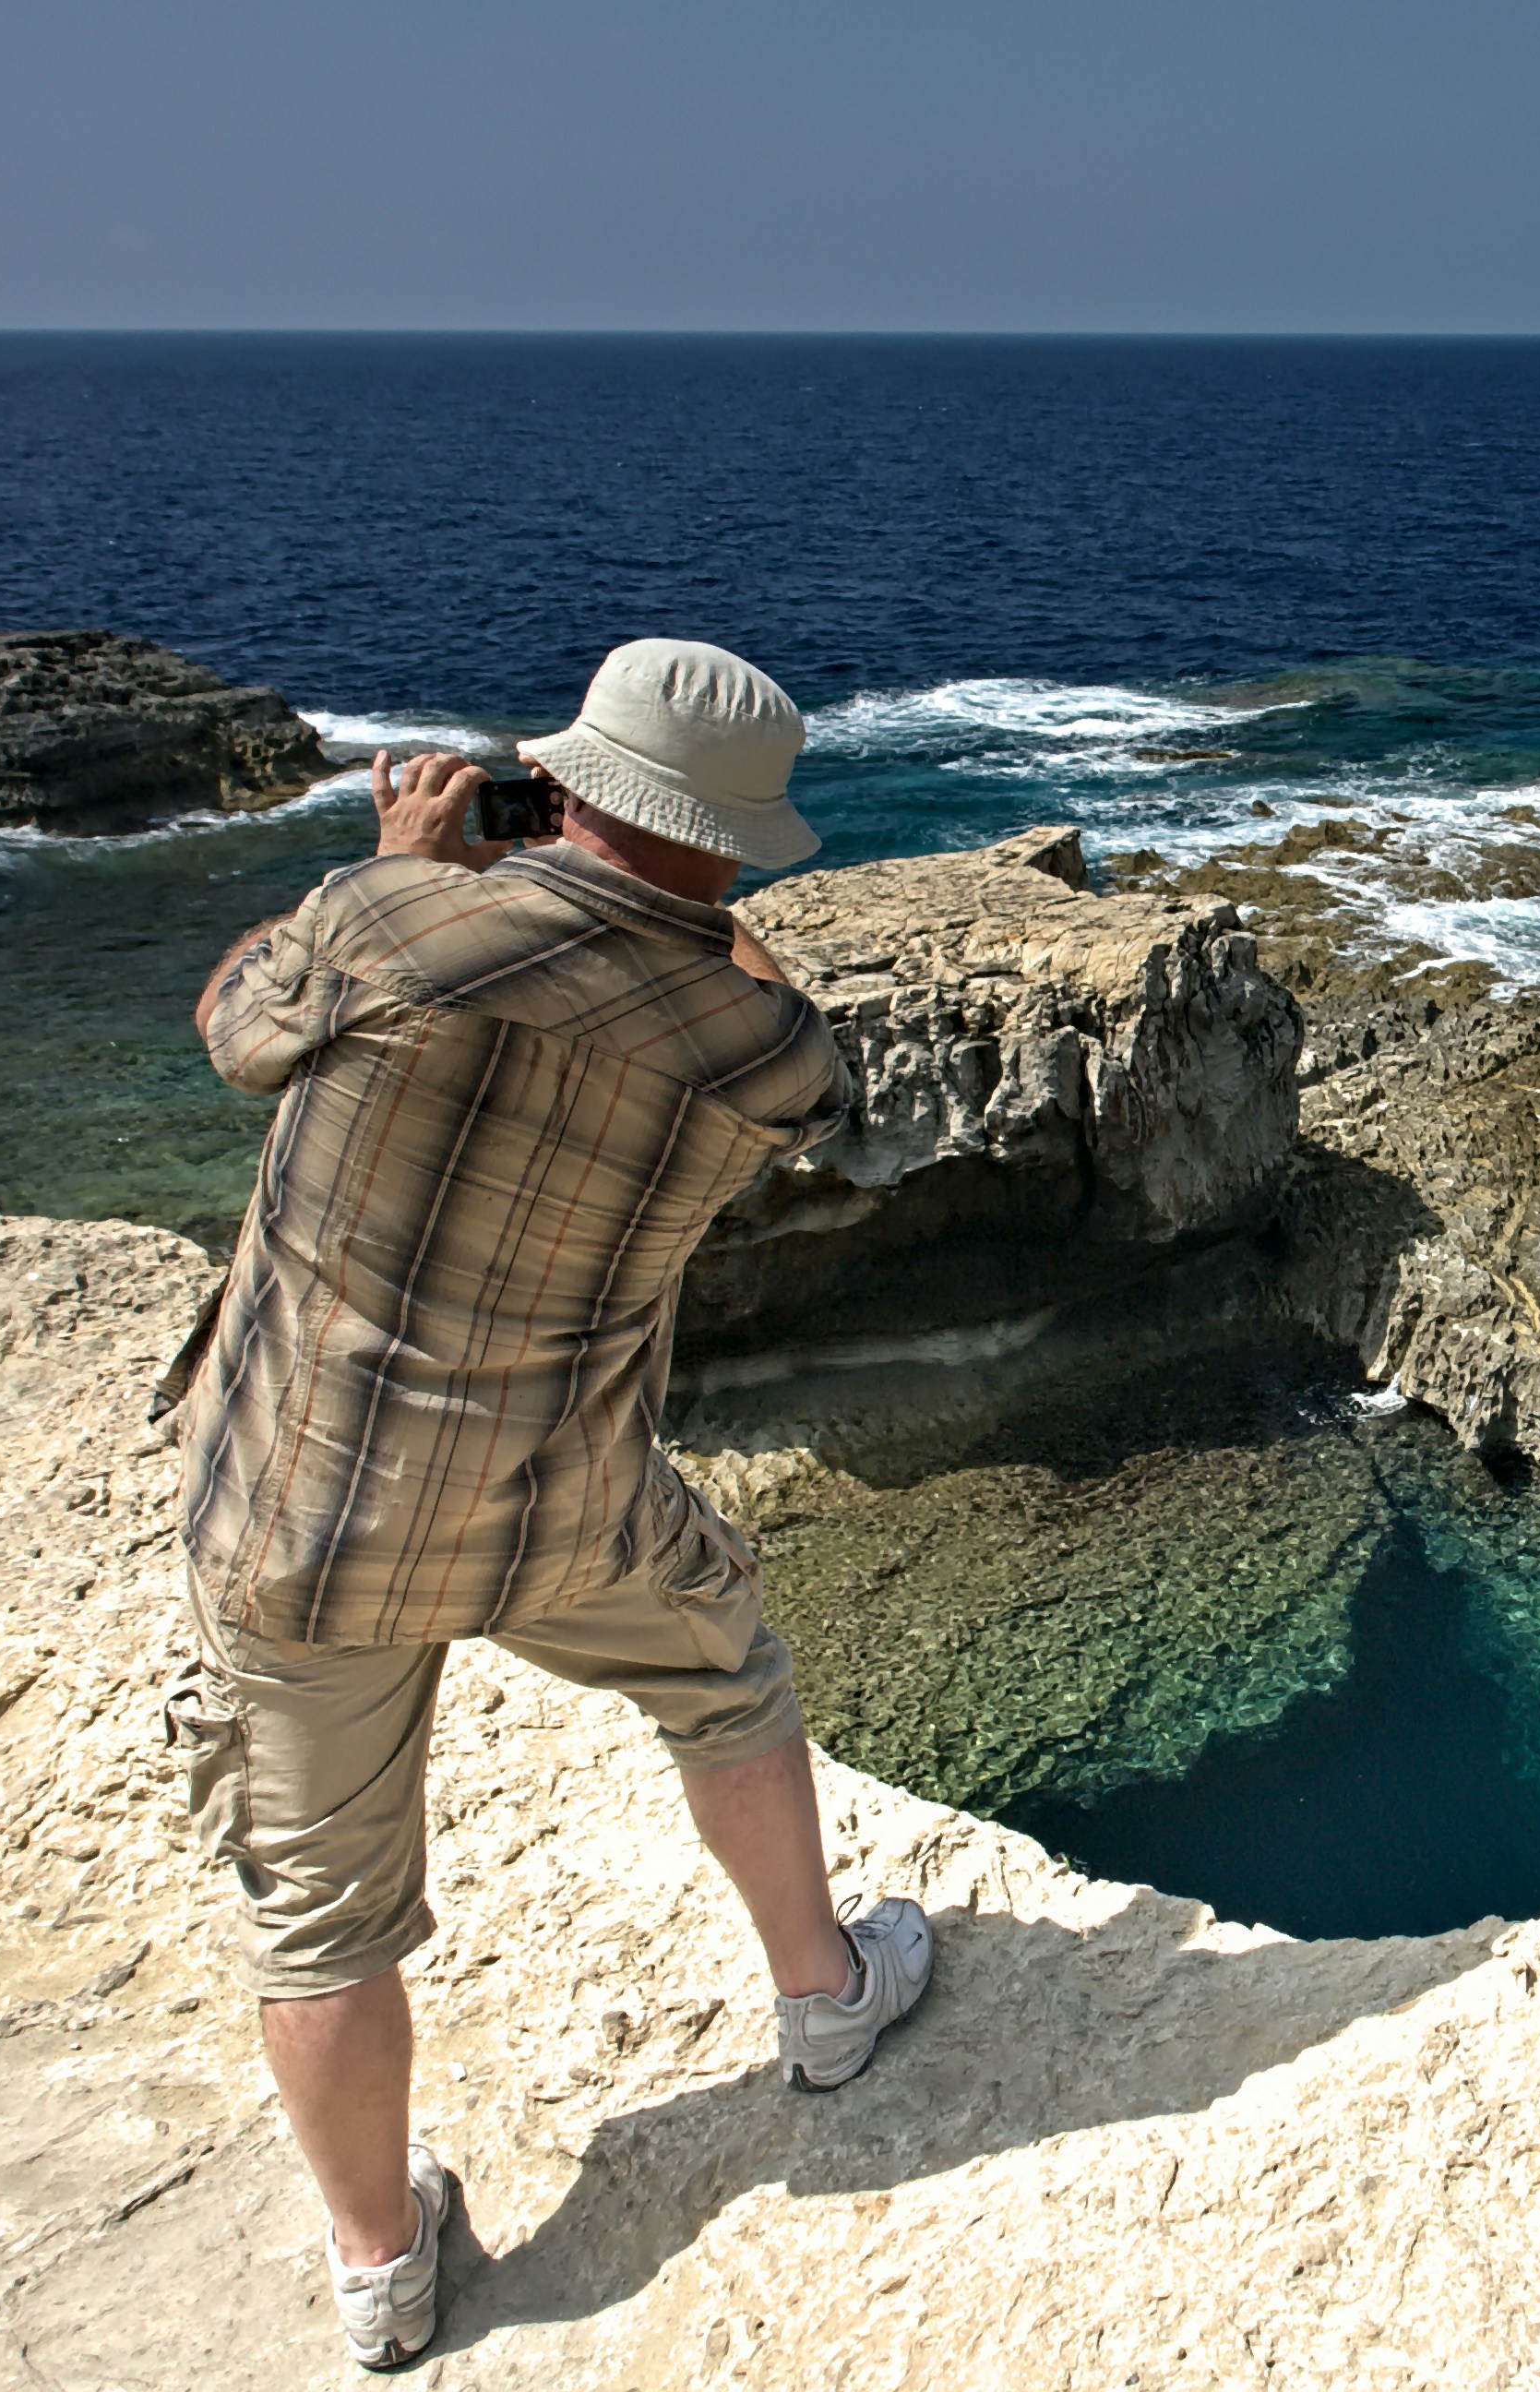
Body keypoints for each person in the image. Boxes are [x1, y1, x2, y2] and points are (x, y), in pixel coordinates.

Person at [159, 639, 930, 2373]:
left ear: (561, 782)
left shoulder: (388, 928)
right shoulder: (754, 1033)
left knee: (321, 1916)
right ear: (739, 843)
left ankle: (381, 2265)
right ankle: (825, 2002)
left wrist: (402, 865)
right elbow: (805, 1064)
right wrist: (689, 904)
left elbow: (236, 1026)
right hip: (554, 1503)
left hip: (298, 1514)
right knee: (725, 1680)